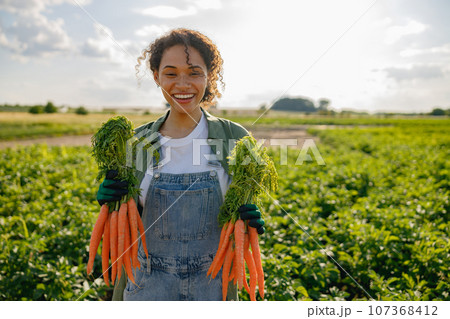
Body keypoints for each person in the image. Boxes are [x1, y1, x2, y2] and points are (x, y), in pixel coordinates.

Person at [96, 28, 265, 301]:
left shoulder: (235, 138)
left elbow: (244, 208)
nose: (183, 84)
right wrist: (111, 207)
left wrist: (251, 222)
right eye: (171, 73)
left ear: (208, 76)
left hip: (213, 285)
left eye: (194, 72)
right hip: (146, 285)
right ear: (157, 77)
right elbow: (126, 219)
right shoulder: (135, 142)